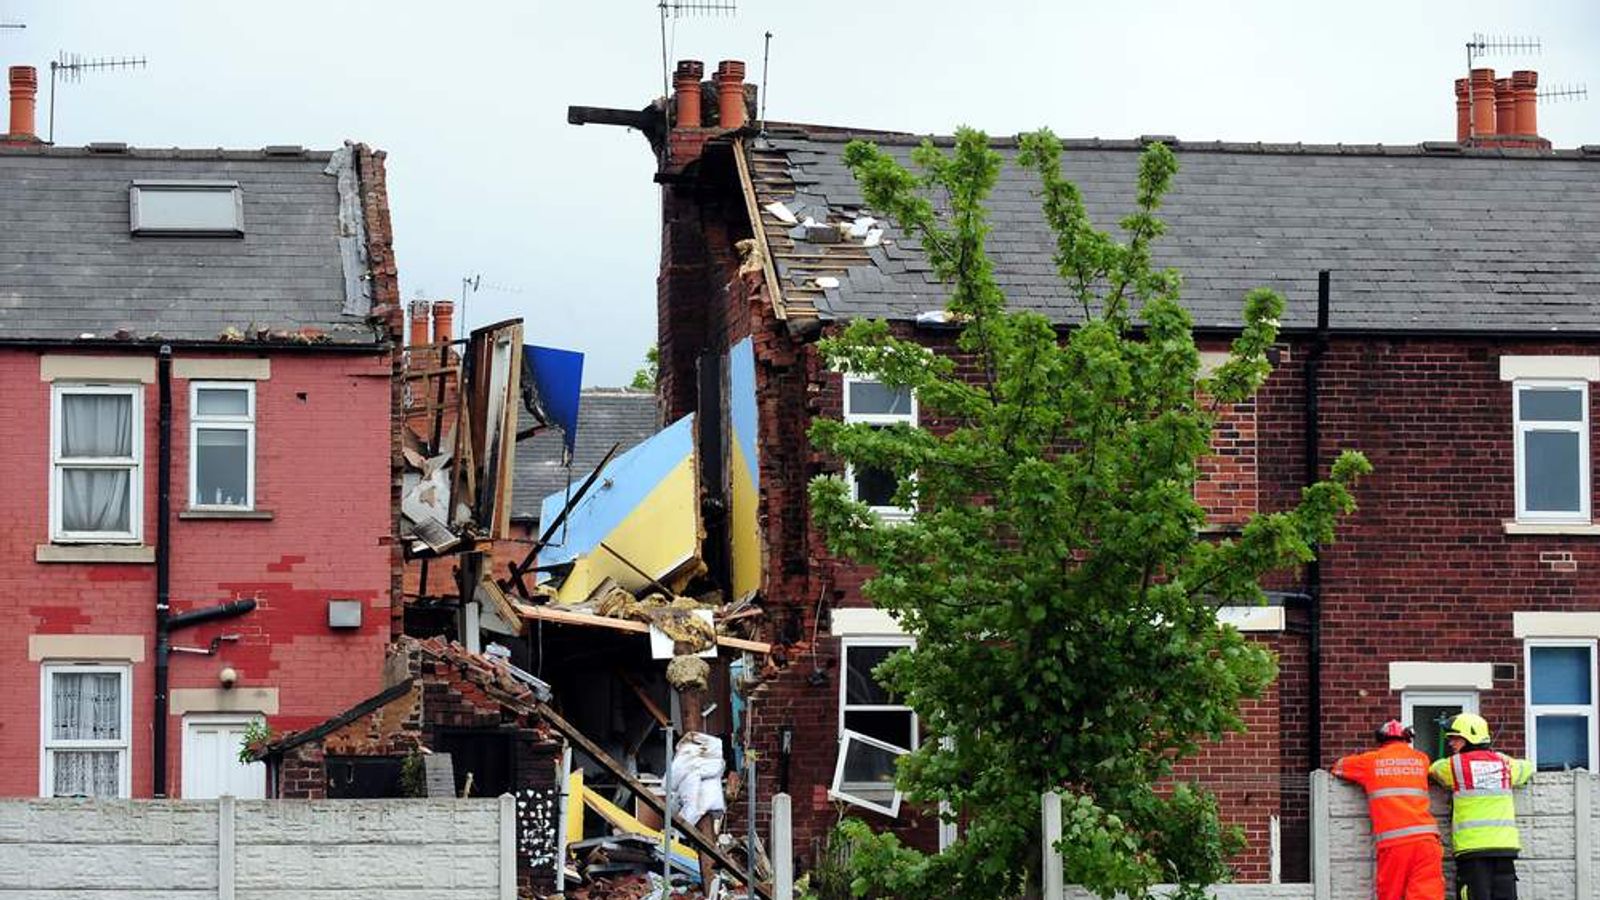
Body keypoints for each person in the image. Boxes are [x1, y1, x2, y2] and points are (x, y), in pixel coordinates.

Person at [1332, 719, 1445, 900]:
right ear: (1408, 738)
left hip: (1395, 845)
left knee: (1391, 894)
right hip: (1427, 841)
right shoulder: (1421, 760)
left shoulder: (1370, 762)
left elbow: (1338, 767)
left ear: (1381, 739)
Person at [1427, 713, 1534, 900]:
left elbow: (1434, 769)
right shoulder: (1504, 763)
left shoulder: (1455, 765)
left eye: (1455, 738)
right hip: (1504, 848)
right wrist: (1497, 757)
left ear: (1470, 737)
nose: (1451, 743)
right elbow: (1527, 768)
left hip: (1473, 850)